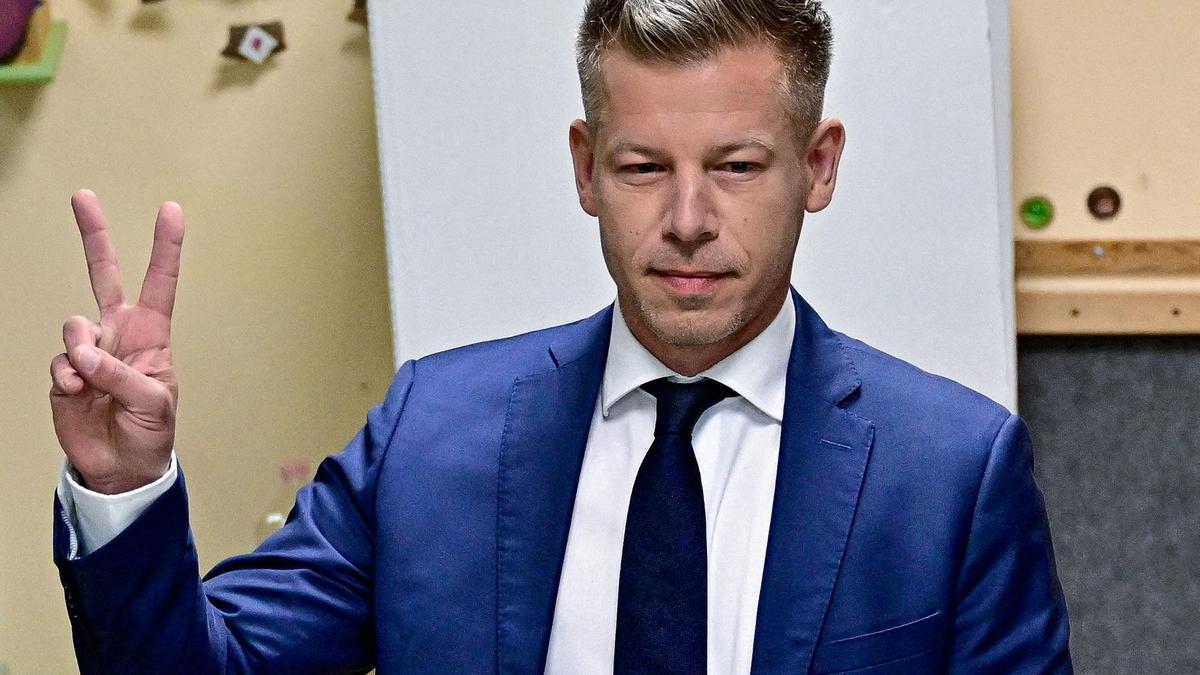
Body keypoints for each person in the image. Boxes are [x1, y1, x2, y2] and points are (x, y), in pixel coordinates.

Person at [49, 1, 1072, 673]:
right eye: (642, 168)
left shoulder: (951, 472)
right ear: (586, 168)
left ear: (819, 165)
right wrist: (121, 486)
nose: (687, 220)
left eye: (737, 167)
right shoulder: (430, 434)